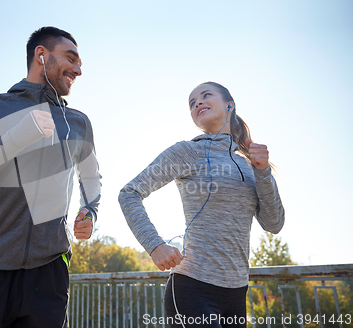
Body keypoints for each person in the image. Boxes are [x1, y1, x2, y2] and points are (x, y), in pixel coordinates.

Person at [0, 26, 101, 328]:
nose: (78, 70)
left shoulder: (79, 122)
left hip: (49, 273)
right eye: (71, 58)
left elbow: (92, 179)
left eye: (80, 62)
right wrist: (16, 137)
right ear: (41, 55)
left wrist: (90, 212)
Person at [118, 82, 284, 328]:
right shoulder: (187, 151)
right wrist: (155, 245)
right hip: (192, 288)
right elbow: (129, 193)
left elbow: (274, 224)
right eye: (192, 102)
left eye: (206, 95)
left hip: (237, 293)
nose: (197, 103)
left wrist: (263, 173)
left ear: (230, 105)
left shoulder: (250, 165)